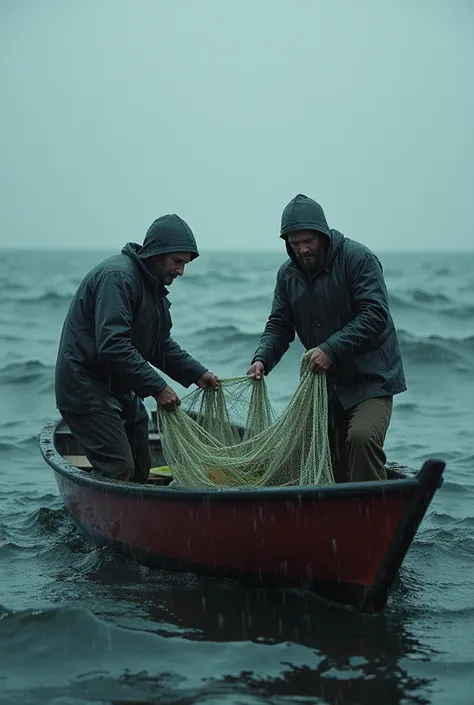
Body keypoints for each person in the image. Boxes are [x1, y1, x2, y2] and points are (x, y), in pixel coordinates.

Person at [247, 194, 406, 483]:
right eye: (295, 243)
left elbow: (375, 315)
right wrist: (261, 359)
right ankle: (317, 515)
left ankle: (369, 516)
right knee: (299, 450)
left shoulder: (359, 259)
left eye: (308, 241)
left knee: (360, 439)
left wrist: (330, 349)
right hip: (323, 386)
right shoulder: (287, 275)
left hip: (371, 380)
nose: (303, 249)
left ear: (323, 234)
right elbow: (280, 326)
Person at [55, 213, 219, 484]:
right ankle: (106, 517)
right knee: (119, 469)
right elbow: (113, 344)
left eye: (185, 264)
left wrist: (198, 374)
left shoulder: (152, 288)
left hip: (121, 387)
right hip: (85, 387)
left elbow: (160, 345)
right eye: (177, 262)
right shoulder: (118, 277)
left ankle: (141, 519)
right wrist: (158, 387)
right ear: (157, 253)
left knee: (141, 466)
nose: (181, 271)